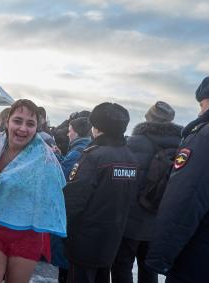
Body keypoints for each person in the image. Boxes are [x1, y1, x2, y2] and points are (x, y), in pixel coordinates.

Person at [0, 99, 67, 283]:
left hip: (27, 234)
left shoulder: (45, 157)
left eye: (30, 124)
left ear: (37, 128)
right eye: (18, 121)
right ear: (7, 121)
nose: (23, 128)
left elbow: (55, 192)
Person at [145, 75, 209, 283]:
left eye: (202, 104)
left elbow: (185, 201)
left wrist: (160, 257)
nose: (200, 111)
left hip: (206, 258)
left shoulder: (208, 136)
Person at [63, 102, 138, 283]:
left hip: (85, 240)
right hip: (112, 239)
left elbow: (73, 199)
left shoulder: (94, 156)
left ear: (97, 128)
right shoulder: (130, 157)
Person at [111, 101, 182, 283]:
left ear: (148, 118)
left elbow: (124, 180)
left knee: (122, 265)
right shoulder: (182, 145)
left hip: (132, 218)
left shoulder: (134, 142)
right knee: (148, 267)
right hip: (160, 217)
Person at [51, 116, 92, 283]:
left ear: (76, 132)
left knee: (63, 250)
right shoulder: (86, 148)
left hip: (68, 207)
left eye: (69, 131)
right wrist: (61, 156)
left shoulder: (77, 151)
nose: (68, 134)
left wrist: (55, 159)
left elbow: (63, 176)